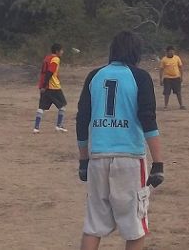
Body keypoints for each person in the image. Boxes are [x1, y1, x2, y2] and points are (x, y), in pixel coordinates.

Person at [76, 31, 164, 250]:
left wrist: (83, 160)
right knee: (135, 227)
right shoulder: (140, 77)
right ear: (136, 51)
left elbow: (82, 120)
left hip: (98, 157)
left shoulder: (94, 76)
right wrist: (159, 162)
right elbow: (148, 119)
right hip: (130, 158)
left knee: (93, 224)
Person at [33, 43, 68, 133]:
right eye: (61, 50)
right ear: (57, 51)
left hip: (44, 86)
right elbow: (50, 73)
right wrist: (45, 85)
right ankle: (59, 126)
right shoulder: (55, 59)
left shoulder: (47, 58)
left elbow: (45, 73)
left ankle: (36, 128)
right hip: (53, 87)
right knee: (63, 105)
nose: (62, 52)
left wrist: (42, 85)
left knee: (41, 107)